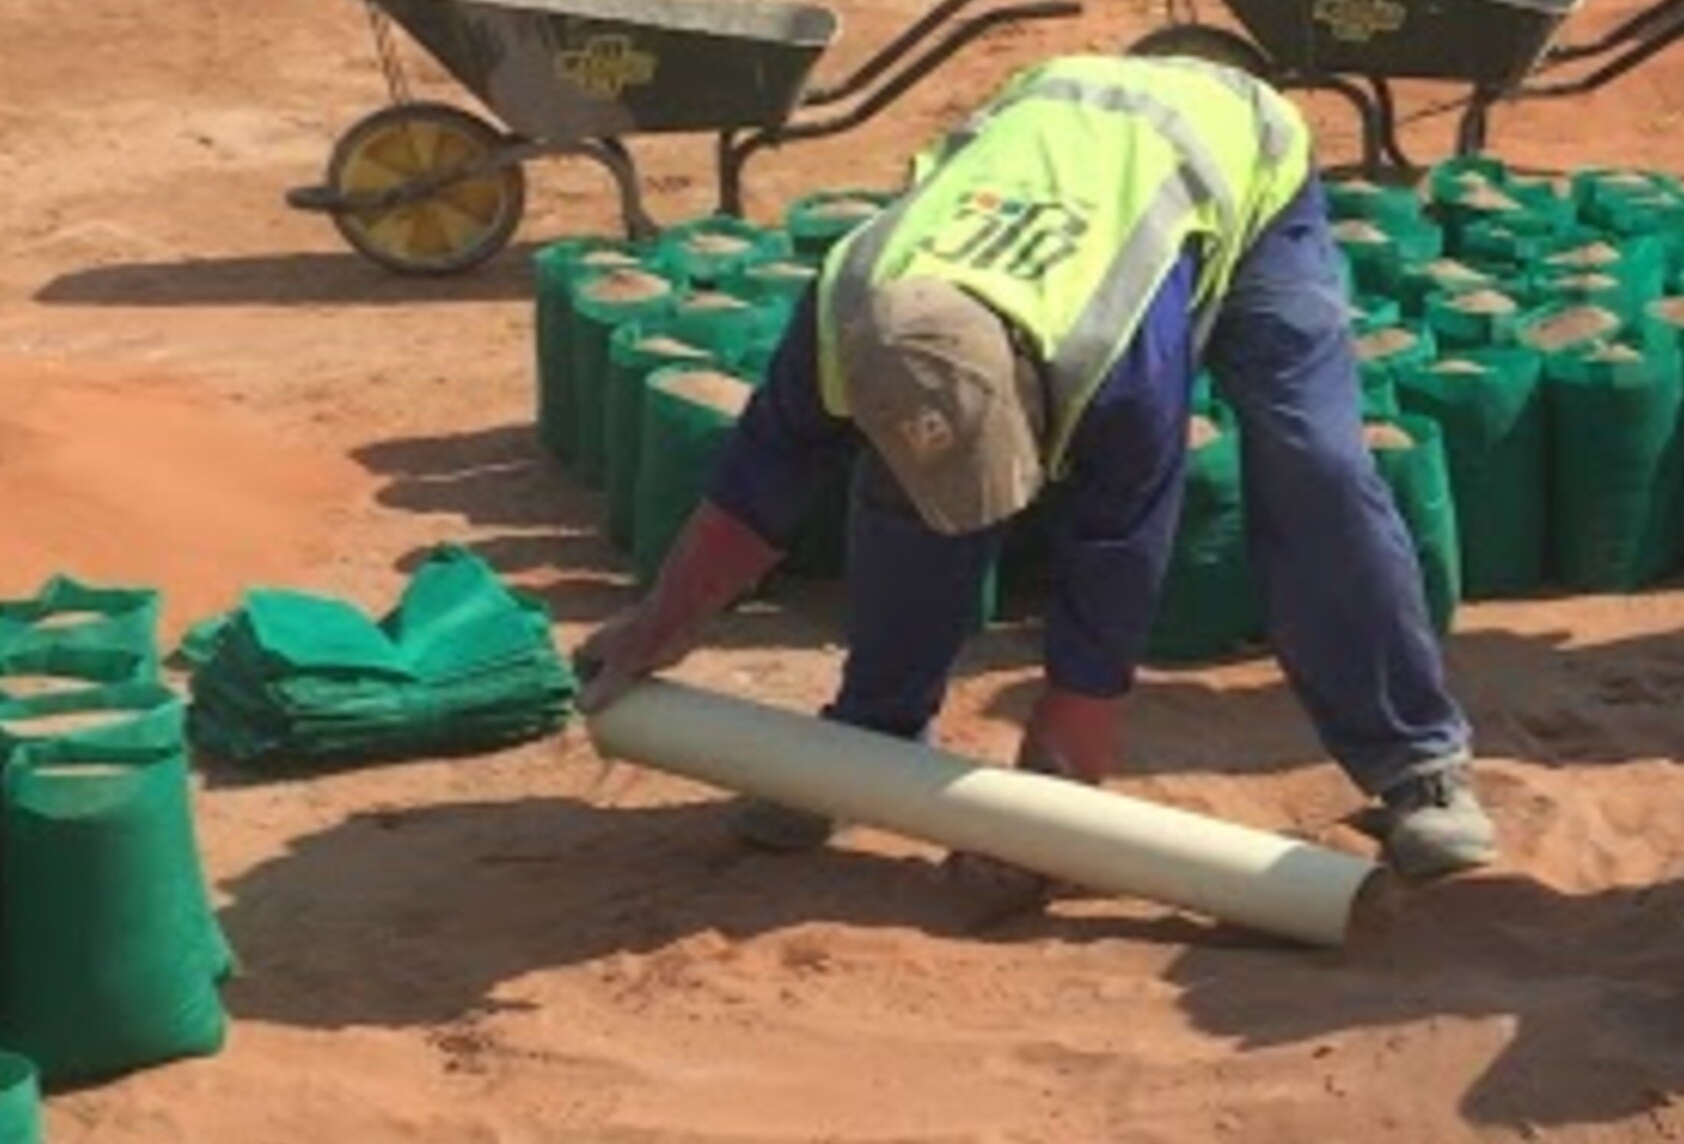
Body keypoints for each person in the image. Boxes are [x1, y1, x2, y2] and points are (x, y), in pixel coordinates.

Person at [572, 54, 1496, 889]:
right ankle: (871, 745)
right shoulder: (844, 315)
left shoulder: (1120, 366)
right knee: (916, 482)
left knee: (1315, 464)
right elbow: (750, 495)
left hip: (1239, 166)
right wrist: (654, 630)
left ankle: (1418, 764)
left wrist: (1051, 815)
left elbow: (1109, 592)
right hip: (1048, 133)